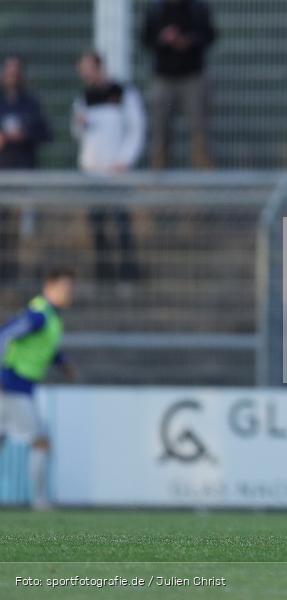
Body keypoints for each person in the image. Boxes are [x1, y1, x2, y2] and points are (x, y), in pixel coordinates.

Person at [0, 268, 76, 510]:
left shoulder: (51, 318)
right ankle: (40, 502)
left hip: (17, 387)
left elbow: (44, 348)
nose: (69, 293)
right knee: (41, 442)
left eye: (70, 288)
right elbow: (5, 334)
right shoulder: (38, 315)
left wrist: (63, 364)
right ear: (49, 287)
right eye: (64, 288)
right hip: (12, 386)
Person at [71, 50, 144, 281]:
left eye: (89, 68)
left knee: (122, 224)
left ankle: (128, 273)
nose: (85, 74)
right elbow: (78, 133)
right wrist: (80, 124)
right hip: (92, 173)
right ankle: (103, 274)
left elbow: (137, 128)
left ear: (99, 67)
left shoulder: (123, 93)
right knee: (97, 226)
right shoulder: (83, 98)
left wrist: (125, 160)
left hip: (116, 172)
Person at [141, 0, 217, 169]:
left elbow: (210, 35)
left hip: (193, 78)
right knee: (161, 131)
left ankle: (205, 180)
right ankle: (159, 178)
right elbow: (145, 39)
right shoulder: (156, 9)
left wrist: (190, 40)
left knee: (200, 130)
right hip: (164, 78)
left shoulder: (198, 8)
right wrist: (163, 39)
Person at [0, 55, 52, 281]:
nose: (12, 76)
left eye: (15, 71)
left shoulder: (31, 103)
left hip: (26, 176)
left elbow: (46, 133)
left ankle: (28, 278)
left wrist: (24, 135)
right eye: (8, 71)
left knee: (28, 232)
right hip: (3, 177)